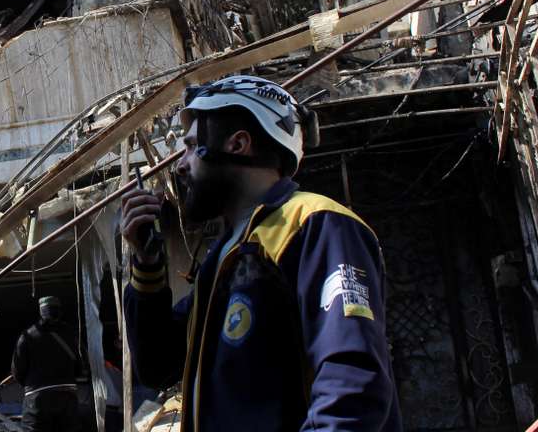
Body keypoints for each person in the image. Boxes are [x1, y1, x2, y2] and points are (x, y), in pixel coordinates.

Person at [120, 75, 401, 431]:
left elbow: (351, 385)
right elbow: (157, 365)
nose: (179, 165)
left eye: (191, 147)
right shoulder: (224, 260)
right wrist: (146, 265)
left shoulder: (314, 224)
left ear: (238, 144)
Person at [11, 296, 80, 432]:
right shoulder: (71, 333)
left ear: (41, 311)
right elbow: (80, 365)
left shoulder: (28, 335)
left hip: (37, 399)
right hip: (67, 396)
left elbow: (17, 371)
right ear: (59, 311)